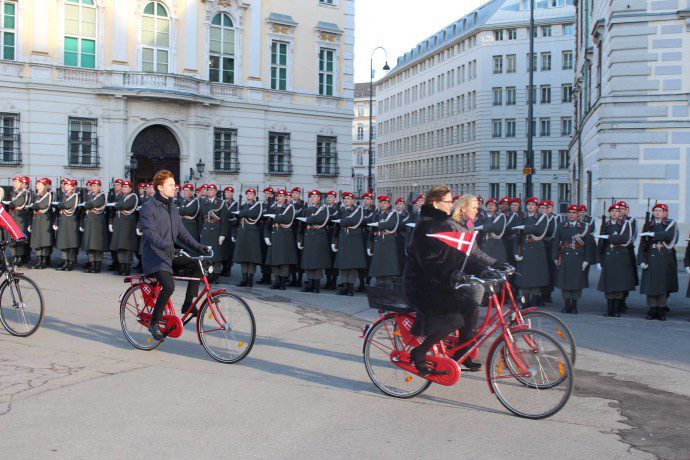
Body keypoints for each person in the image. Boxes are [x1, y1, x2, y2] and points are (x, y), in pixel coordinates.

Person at [404, 188, 498, 376]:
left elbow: (460, 257)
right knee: (454, 318)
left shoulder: (444, 225)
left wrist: (489, 268)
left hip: (440, 282)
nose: (451, 205)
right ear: (436, 204)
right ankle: (419, 352)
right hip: (422, 285)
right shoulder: (426, 227)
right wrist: (451, 274)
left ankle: (460, 355)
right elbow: (430, 262)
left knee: (470, 306)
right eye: (447, 202)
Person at [139, 170, 211, 341]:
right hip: (154, 255)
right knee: (169, 285)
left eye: (175, 185)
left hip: (169, 253)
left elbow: (181, 232)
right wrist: (165, 245)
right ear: (159, 187)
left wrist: (198, 246)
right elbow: (149, 233)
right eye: (171, 185)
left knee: (198, 264)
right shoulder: (148, 207)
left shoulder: (172, 206)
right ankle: (154, 323)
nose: (175, 188)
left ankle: (187, 304)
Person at [637, 203, 678, 321]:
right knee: (651, 284)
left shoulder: (670, 224)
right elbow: (643, 243)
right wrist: (640, 260)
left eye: (660, 211)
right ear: (653, 213)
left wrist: (654, 234)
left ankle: (661, 309)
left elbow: (669, 236)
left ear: (664, 212)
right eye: (656, 211)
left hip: (664, 257)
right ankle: (652, 309)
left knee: (662, 285)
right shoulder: (648, 224)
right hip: (651, 256)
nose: (658, 212)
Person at [596, 203, 635, 317]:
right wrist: (599, 260)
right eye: (612, 211)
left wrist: (609, 237)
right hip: (609, 254)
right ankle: (609, 309)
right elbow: (601, 244)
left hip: (621, 255)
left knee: (618, 283)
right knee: (609, 283)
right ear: (610, 213)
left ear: (620, 213)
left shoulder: (625, 224)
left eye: (617, 211)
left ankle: (617, 310)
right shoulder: (606, 225)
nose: (614, 213)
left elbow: (625, 238)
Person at [512, 197, 549, 308]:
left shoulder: (542, 217)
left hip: (537, 250)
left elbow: (539, 229)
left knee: (535, 277)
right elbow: (517, 237)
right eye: (529, 205)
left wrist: (524, 227)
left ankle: (534, 301)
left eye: (533, 205)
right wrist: (515, 252)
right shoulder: (521, 217)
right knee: (525, 278)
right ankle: (526, 301)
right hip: (524, 249)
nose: (531, 207)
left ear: (536, 207)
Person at [553, 205, 590, 313]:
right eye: (569, 212)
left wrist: (587, 260)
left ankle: (574, 306)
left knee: (576, 282)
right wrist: (555, 257)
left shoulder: (583, 226)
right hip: (565, 256)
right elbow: (556, 242)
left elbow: (588, 244)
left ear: (578, 214)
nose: (571, 214)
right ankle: (566, 305)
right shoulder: (561, 225)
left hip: (578, 257)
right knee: (565, 282)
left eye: (574, 212)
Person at [332, 191, 367, 296]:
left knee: (352, 264)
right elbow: (333, 219)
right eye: (345, 199)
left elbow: (354, 220)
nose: (346, 200)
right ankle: (344, 285)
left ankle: (350, 286)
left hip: (353, 239)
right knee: (343, 264)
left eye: (348, 199)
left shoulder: (357, 209)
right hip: (343, 238)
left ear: (352, 200)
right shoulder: (341, 209)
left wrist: (343, 221)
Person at [297, 190, 331, 293]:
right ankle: (310, 282)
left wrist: (307, 219)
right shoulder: (307, 209)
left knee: (317, 261)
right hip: (308, 236)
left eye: (315, 196)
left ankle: (316, 284)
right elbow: (301, 225)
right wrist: (299, 239)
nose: (312, 198)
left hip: (318, 237)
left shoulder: (323, 208)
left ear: (319, 198)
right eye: (311, 196)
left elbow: (319, 219)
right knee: (308, 261)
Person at [264, 189, 297, 290]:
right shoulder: (273, 207)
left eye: (281, 196)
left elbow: (287, 219)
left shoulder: (289, 207)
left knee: (283, 260)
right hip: (274, 234)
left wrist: (275, 216)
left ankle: (282, 282)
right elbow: (267, 222)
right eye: (278, 196)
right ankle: (277, 281)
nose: (279, 198)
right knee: (274, 260)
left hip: (284, 235)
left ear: (286, 197)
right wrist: (266, 235)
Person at [368, 195, 401, 284]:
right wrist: (369, 245)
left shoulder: (392, 213)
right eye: (381, 203)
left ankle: (388, 286)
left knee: (388, 267)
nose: (382, 205)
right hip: (378, 241)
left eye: (384, 203)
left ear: (388, 204)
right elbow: (371, 230)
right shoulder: (376, 214)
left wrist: (378, 224)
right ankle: (379, 284)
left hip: (388, 242)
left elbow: (390, 224)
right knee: (379, 266)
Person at [233, 188, 263, 287]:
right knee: (243, 256)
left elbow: (252, 213)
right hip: (242, 231)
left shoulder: (257, 205)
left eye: (251, 193)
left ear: (254, 195)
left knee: (251, 257)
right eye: (248, 193)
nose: (249, 195)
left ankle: (250, 279)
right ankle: (244, 278)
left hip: (252, 233)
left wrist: (241, 213)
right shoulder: (243, 206)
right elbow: (238, 219)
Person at [109, 180, 139, 276]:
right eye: (123, 187)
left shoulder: (133, 196)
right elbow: (117, 207)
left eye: (126, 187)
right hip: (119, 223)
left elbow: (124, 205)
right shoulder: (120, 197)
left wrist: (117, 205)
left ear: (130, 188)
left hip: (128, 224)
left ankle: (127, 266)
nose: (124, 188)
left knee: (127, 247)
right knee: (119, 246)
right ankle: (121, 265)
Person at [199, 184, 227, 281]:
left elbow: (224, 220)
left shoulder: (220, 203)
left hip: (216, 230)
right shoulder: (204, 202)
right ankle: (208, 274)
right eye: (208, 190)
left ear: (215, 191)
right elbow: (201, 218)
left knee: (216, 254)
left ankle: (216, 275)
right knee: (206, 254)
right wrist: (200, 231)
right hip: (206, 230)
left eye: (211, 190)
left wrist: (223, 234)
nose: (209, 191)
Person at [81, 179, 108, 273]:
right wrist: (87, 205)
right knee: (90, 244)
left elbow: (93, 204)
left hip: (97, 223)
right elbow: (86, 205)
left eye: (95, 186)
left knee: (97, 245)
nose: (93, 188)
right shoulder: (90, 196)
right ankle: (91, 263)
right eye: (92, 186)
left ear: (99, 187)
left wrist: (88, 205)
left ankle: (97, 265)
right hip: (89, 221)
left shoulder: (102, 195)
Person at [55, 178, 80, 271]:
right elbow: (61, 205)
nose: (65, 186)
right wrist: (62, 204)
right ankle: (65, 261)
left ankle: (70, 262)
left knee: (71, 242)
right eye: (65, 185)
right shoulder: (64, 196)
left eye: (68, 185)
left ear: (72, 187)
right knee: (64, 242)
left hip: (71, 221)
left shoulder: (75, 196)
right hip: (64, 220)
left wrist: (61, 204)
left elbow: (67, 205)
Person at [29, 178, 53, 269]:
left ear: (44, 186)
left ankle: (44, 260)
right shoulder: (36, 196)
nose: (37, 186)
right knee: (38, 240)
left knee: (44, 241)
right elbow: (34, 206)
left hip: (44, 220)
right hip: (37, 220)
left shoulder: (48, 195)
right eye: (37, 184)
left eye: (39, 184)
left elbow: (42, 205)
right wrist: (35, 207)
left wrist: (35, 206)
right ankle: (39, 259)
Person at [6, 176, 31, 266]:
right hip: (12, 217)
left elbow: (16, 203)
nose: (14, 183)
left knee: (19, 238)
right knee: (12, 238)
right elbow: (11, 205)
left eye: (16, 181)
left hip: (20, 219)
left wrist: (12, 204)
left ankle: (20, 257)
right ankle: (14, 256)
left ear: (20, 183)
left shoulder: (23, 193)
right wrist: (11, 204)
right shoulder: (13, 192)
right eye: (13, 181)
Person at [476, 198, 508, 263]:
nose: (490, 206)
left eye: (493, 205)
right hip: (484, 245)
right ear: (486, 206)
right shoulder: (480, 217)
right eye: (489, 205)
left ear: (496, 208)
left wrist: (483, 227)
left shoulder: (500, 216)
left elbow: (497, 227)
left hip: (496, 246)